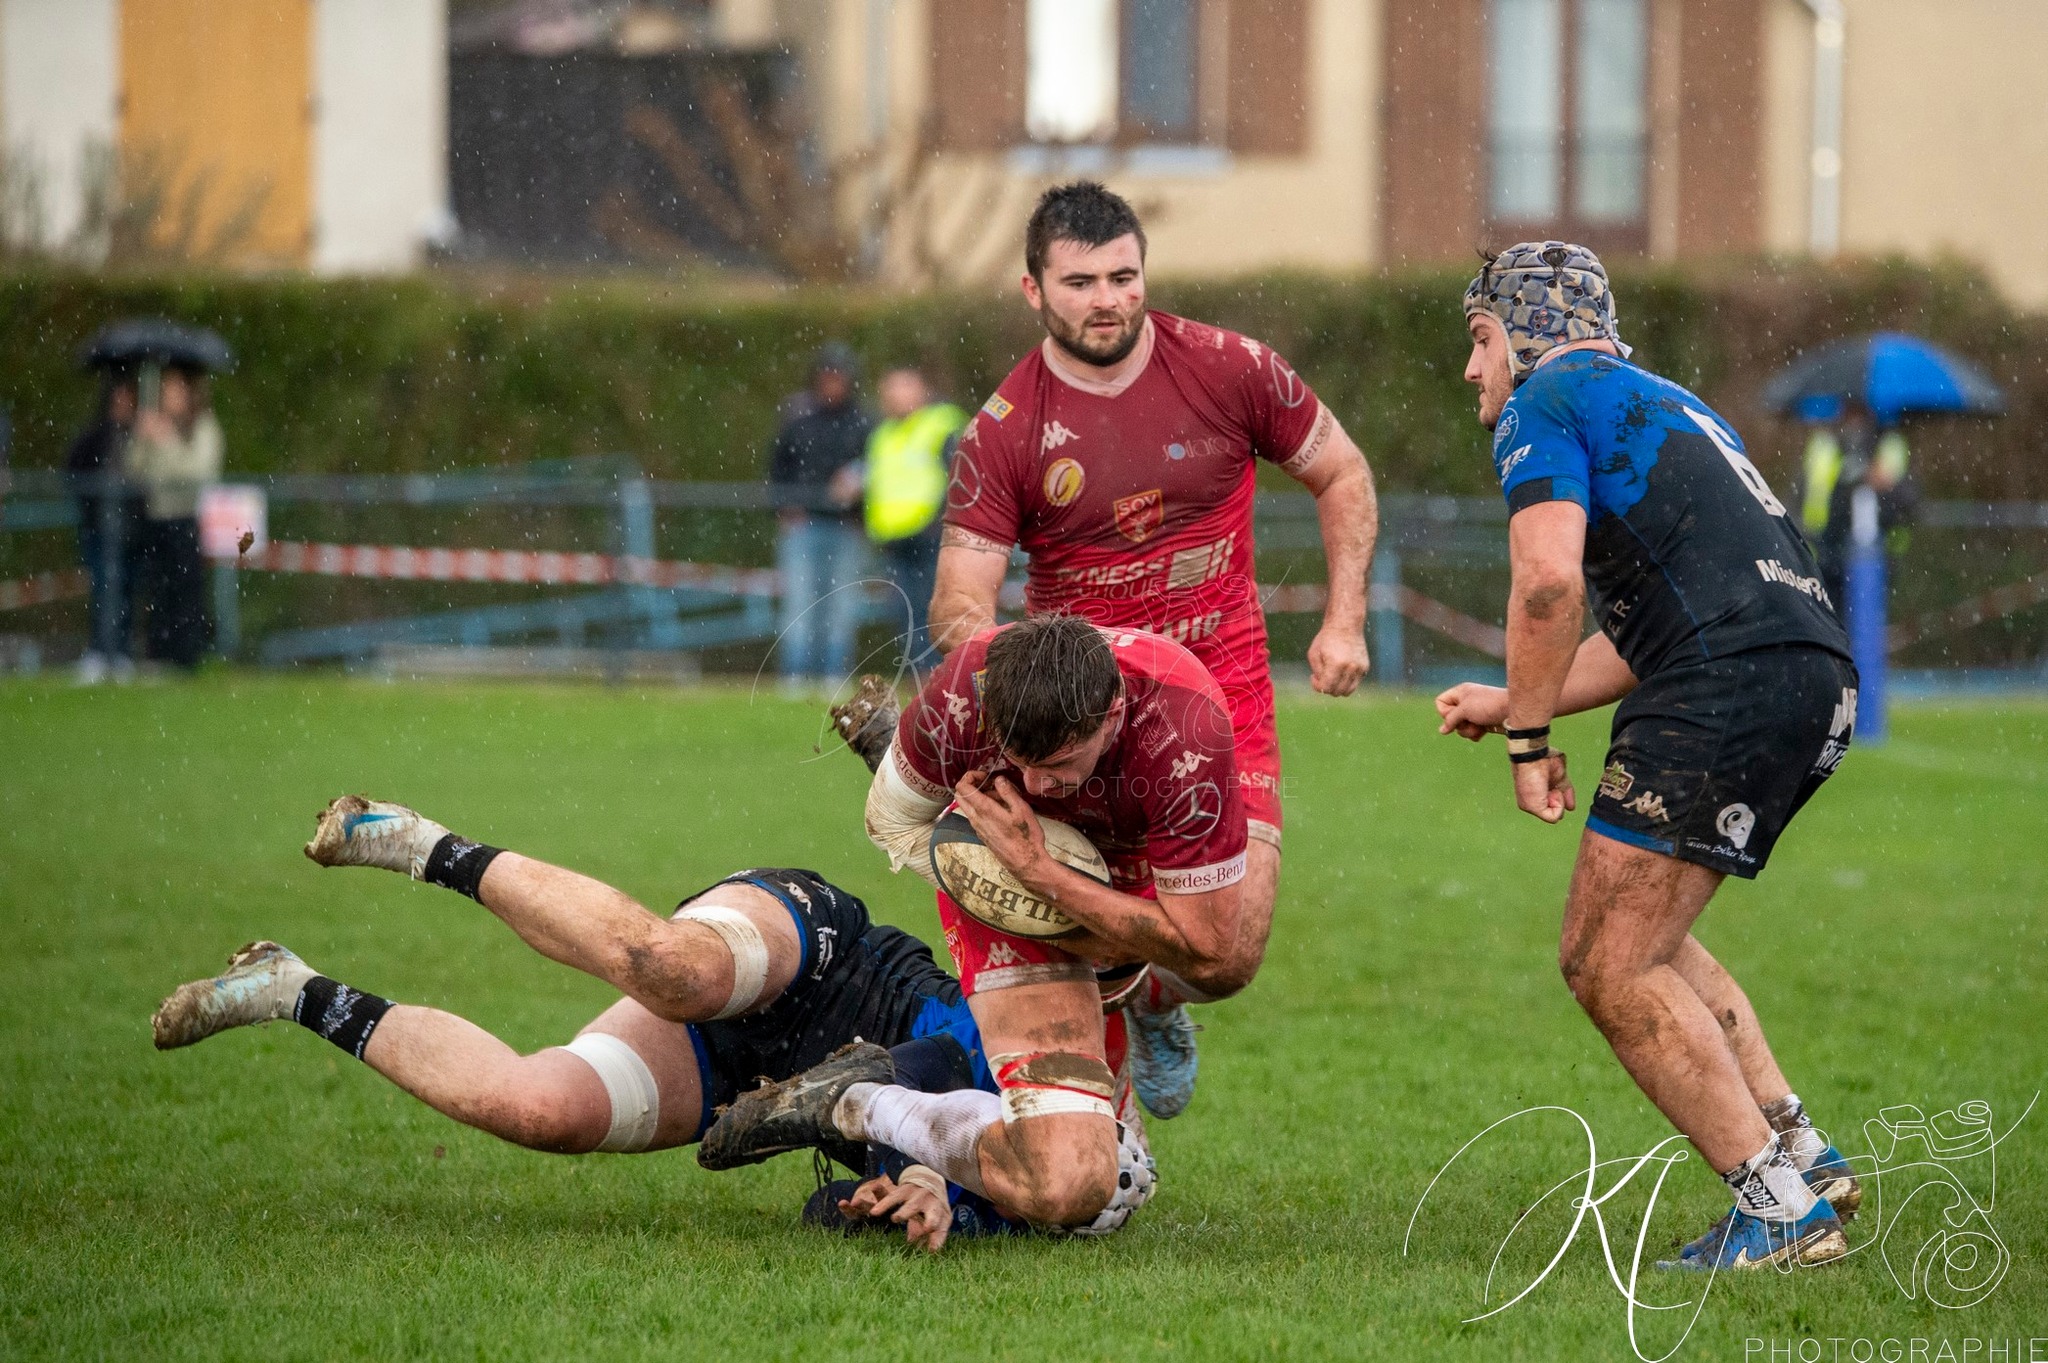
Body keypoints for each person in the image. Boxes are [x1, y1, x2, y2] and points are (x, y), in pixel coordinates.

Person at [150, 793, 1154, 1251]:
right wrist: (923, 1166)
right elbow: (923, 1064)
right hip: (825, 956)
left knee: (540, 1108)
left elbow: (835, 1206)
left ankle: (291, 987)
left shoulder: (1021, 1209)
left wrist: (900, 1205)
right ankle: (417, 841)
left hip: (754, 1079)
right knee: (676, 969)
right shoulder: (1055, 1062)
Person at [1436, 241, 1865, 1272]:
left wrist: (1529, 744)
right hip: (1812, 674)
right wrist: (1516, 700)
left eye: (1479, 341)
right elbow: (1648, 629)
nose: (1471, 369)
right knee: (1649, 937)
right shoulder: (1668, 400)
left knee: (1605, 958)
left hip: (1726, 682)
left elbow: (1547, 584)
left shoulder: (1543, 401)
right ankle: (1802, 1154)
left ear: (1522, 336)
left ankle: (1778, 1212)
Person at [921, 181, 1381, 1121]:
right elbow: (957, 604)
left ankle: (1152, 996)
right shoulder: (1004, 431)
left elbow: (1342, 470)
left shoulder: (1231, 368)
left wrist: (1344, 618)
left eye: (1123, 277)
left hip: (1223, 699)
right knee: (1082, 915)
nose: (1108, 300)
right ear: (1033, 290)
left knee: (1227, 956)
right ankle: (1088, 1098)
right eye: (1080, 282)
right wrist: (1016, 676)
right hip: (1082, 724)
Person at [700, 614, 1243, 1233]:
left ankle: (855, 1099)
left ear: (1112, 713)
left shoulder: (1184, 730)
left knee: (1228, 966)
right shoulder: (964, 693)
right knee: (1075, 1188)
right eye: (1019, 762)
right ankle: (861, 1102)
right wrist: (1003, 883)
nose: (1038, 785)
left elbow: (1207, 946)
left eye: (1059, 763)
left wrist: (1040, 874)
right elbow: (891, 824)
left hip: (1100, 865)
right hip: (1006, 866)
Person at [767, 343, 874, 686]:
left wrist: (859, 498)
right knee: (799, 604)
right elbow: (778, 467)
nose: (832, 384)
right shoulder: (798, 418)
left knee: (841, 606)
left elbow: (876, 468)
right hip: (804, 527)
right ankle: (795, 674)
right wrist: (785, 505)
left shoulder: (863, 422)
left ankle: (834, 674)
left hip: (845, 526)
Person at [861, 368, 966, 667]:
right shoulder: (882, 434)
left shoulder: (941, 423)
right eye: (890, 389)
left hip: (932, 535)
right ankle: (920, 674)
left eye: (904, 387)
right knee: (906, 613)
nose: (896, 396)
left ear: (922, 390)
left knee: (939, 609)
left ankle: (944, 673)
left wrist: (943, 519)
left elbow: (961, 475)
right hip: (895, 539)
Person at [126, 365, 222, 670]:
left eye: (175, 388)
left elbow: (198, 473)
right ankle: (158, 653)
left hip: (185, 517)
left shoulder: (203, 426)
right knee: (157, 589)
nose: (168, 395)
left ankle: (186, 656)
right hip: (155, 517)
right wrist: (142, 437)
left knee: (185, 589)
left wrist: (167, 441)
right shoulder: (155, 423)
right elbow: (134, 470)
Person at [65, 372, 142, 684]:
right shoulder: (95, 437)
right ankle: (100, 649)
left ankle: (121, 650)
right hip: (99, 527)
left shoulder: (139, 437)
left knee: (126, 589)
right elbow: (74, 472)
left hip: (130, 530)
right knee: (102, 588)